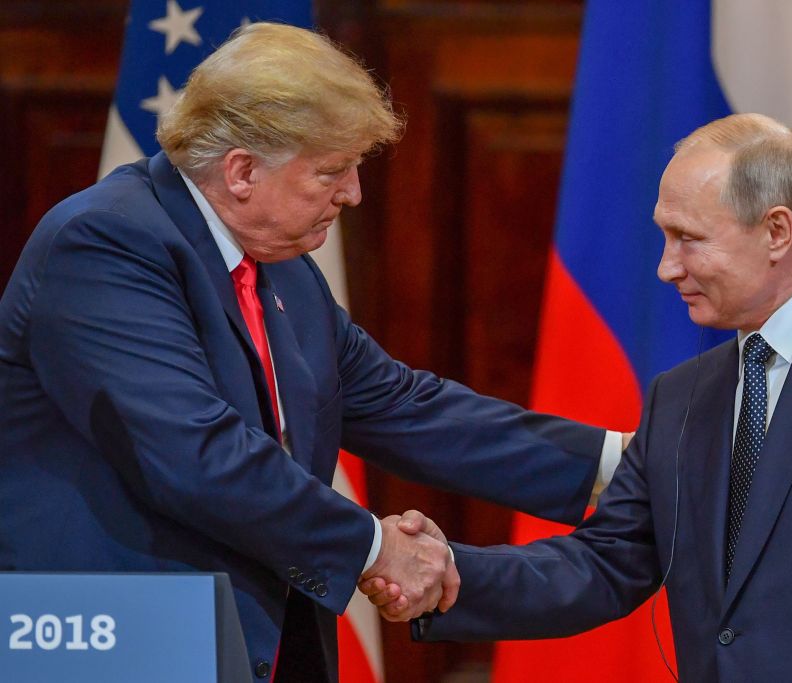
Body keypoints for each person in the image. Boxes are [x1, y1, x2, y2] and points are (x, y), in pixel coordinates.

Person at [0, 23, 627, 683]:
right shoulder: (104, 243)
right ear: (242, 171)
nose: (353, 192)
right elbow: (197, 454)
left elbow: (406, 406)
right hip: (116, 646)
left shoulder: (286, 272)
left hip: (253, 645)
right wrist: (376, 547)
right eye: (331, 171)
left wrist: (623, 463)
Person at [371, 113, 792, 681]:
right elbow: (603, 562)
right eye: (664, 237)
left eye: (689, 239)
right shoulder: (684, 396)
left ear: (776, 231)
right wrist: (447, 571)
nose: (666, 267)